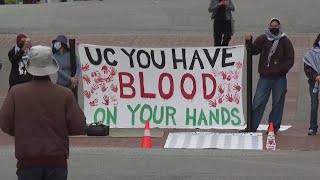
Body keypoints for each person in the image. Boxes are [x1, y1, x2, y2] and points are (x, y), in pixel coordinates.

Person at [0, 45, 86, 180]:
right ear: (51, 67)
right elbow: (79, 126)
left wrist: (21, 130)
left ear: (30, 66)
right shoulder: (65, 94)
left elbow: (5, 124)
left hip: (26, 162)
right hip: (57, 162)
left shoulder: (15, 93)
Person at [241, 18, 295, 133]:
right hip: (265, 78)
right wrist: (248, 41)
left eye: (276, 26)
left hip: (279, 78)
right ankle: (252, 126)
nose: (274, 27)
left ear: (280, 26)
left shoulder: (285, 41)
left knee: (277, 104)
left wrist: (281, 70)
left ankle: (273, 128)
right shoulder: (263, 38)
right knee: (258, 102)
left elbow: (290, 59)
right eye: (272, 25)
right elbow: (253, 50)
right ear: (269, 26)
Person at [52, 35, 81, 101]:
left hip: (72, 84)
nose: (55, 44)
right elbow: (58, 69)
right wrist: (70, 79)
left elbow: (78, 65)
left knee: (73, 102)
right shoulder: (55, 56)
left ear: (62, 44)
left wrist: (75, 78)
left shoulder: (71, 54)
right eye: (55, 42)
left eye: (57, 42)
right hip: (61, 84)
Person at [303, 34, 320, 136]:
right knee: (314, 105)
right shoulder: (311, 53)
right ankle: (313, 127)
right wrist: (316, 77)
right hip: (314, 83)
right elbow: (307, 68)